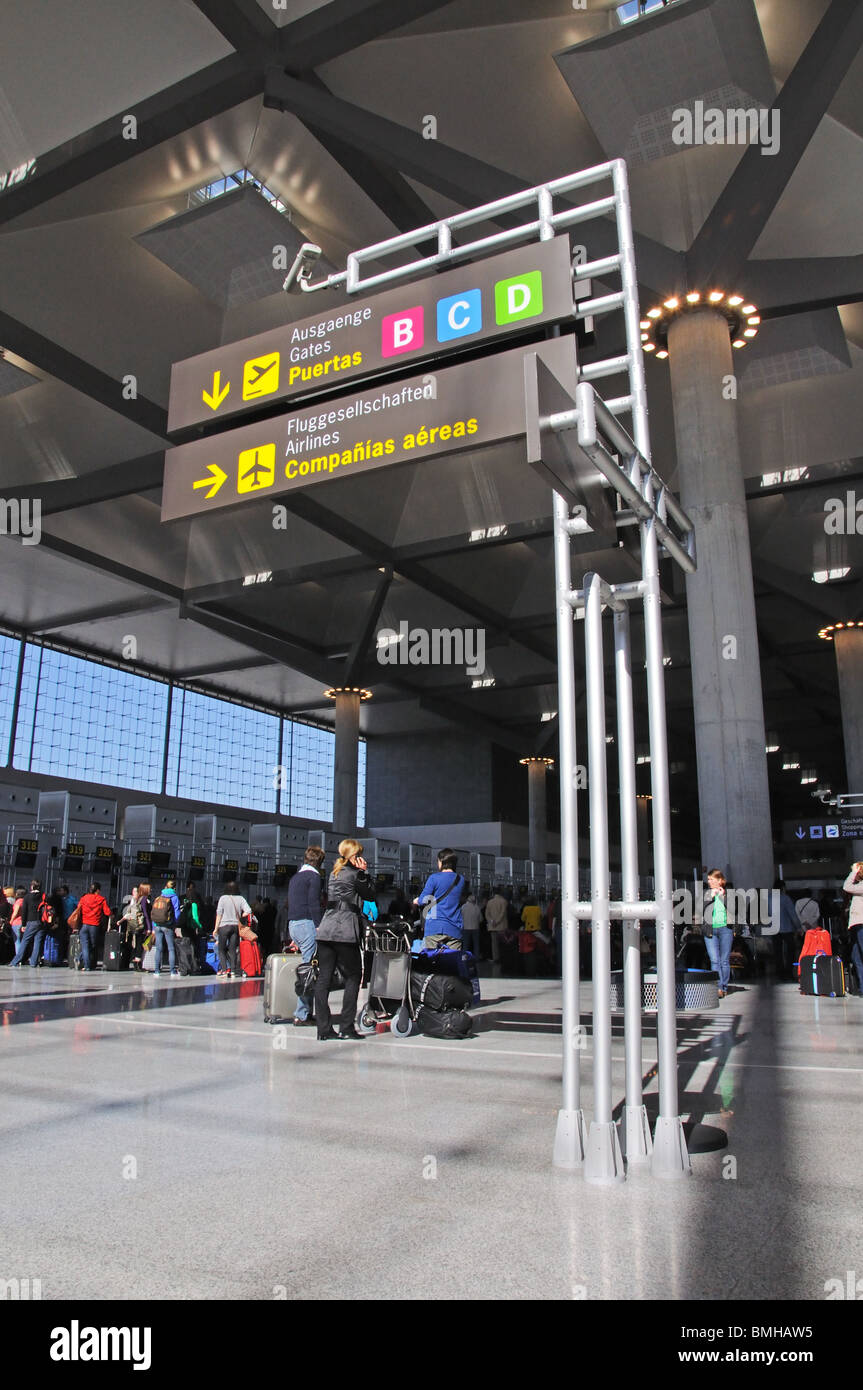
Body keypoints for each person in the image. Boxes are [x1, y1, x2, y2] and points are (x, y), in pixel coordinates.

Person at [314, 839, 374, 1041]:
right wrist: (365, 873)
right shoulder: (356, 874)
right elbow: (370, 895)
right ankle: (347, 1028)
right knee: (353, 977)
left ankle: (323, 1028)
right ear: (354, 856)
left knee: (323, 979)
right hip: (345, 930)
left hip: (326, 929)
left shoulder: (334, 873)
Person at [287, 845, 326, 1026]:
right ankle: (301, 1014)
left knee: (306, 967)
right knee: (310, 971)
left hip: (293, 924)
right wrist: (319, 925)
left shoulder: (296, 877)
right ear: (319, 861)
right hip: (306, 923)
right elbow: (313, 903)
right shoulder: (314, 877)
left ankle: (306, 1011)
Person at [414, 849, 465, 945]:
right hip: (454, 928)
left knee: (430, 958)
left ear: (442, 861)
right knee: (452, 959)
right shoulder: (460, 879)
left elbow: (423, 900)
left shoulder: (434, 878)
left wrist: (417, 900)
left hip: (435, 927)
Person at [701, 869, 734, 999]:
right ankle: (718, 987)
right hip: (710, 929)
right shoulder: (706, 894)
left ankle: (724, 986)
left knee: (724, 961)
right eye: (708, 879)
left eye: (712, 879)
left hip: (726, 929)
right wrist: (711, 897)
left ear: (720, 881)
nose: (709, 882)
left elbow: (734, 909)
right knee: (714, 960)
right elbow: (700, 908)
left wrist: (721, 896)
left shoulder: (729, 894)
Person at [213, 881, 252, 978]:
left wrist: (216, 928)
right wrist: (240, 916)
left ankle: (225, 970)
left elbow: (219, 914)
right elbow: (249, 910)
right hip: (235, 926)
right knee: (232, 949)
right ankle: (233, 971)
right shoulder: (241, 898)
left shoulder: (223, 898)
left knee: (221, 949)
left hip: (224, 926)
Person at [72, 881, 113, 972]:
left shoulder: (84, 898)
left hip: (84, 925)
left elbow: (79, 909)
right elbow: (107, 912)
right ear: (97, 890)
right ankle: (85, 963)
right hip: (94, 926)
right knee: (92, 946)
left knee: (85, 946)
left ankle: (81, 961)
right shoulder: (101, 899)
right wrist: (112, 915)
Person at [10, 880, 50, 968]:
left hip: (31, 921)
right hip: (42, 922)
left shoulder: (27, 897)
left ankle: (15, 961)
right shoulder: (44, 896)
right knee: (37, 942)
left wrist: (23, 924)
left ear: (32, 886)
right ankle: (34, 962)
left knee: (25, 941)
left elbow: (24, 912)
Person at [772, 878, 803, 981]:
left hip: (774, 929)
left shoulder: (768, 898)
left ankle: (779, 972)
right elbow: (792, 914)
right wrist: (798, 927)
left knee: (778, 951)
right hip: (786, 928)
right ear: (783, 888)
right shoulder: (785, 898)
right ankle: (788, 971)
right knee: (790, 950)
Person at [843, 861, 863, 996]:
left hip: (861, 924)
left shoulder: (861, 886)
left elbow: (846, 886)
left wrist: (854, 871)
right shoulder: (859, 886)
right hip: (856, 925)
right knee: (856, 956)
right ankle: (862, 987)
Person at [484, 887, 508, 967]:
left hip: (492, 926)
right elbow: (503, 913)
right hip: (501, 926)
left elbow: (487, 914)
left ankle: (495, 958)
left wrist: (492, 921)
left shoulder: (490, 902)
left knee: (494, 944)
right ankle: (502, 958)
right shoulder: (504, 901)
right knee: (502, 943)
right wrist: (497, 921)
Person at [461, 893, 482, 960]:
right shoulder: (477, 907)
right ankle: (476, 958)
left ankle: (464, 957)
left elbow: (460, 917)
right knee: (476, 944)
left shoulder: (463, 907)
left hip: (466, 928)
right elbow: (481, 919)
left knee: (465, 944)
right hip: (476, 928)